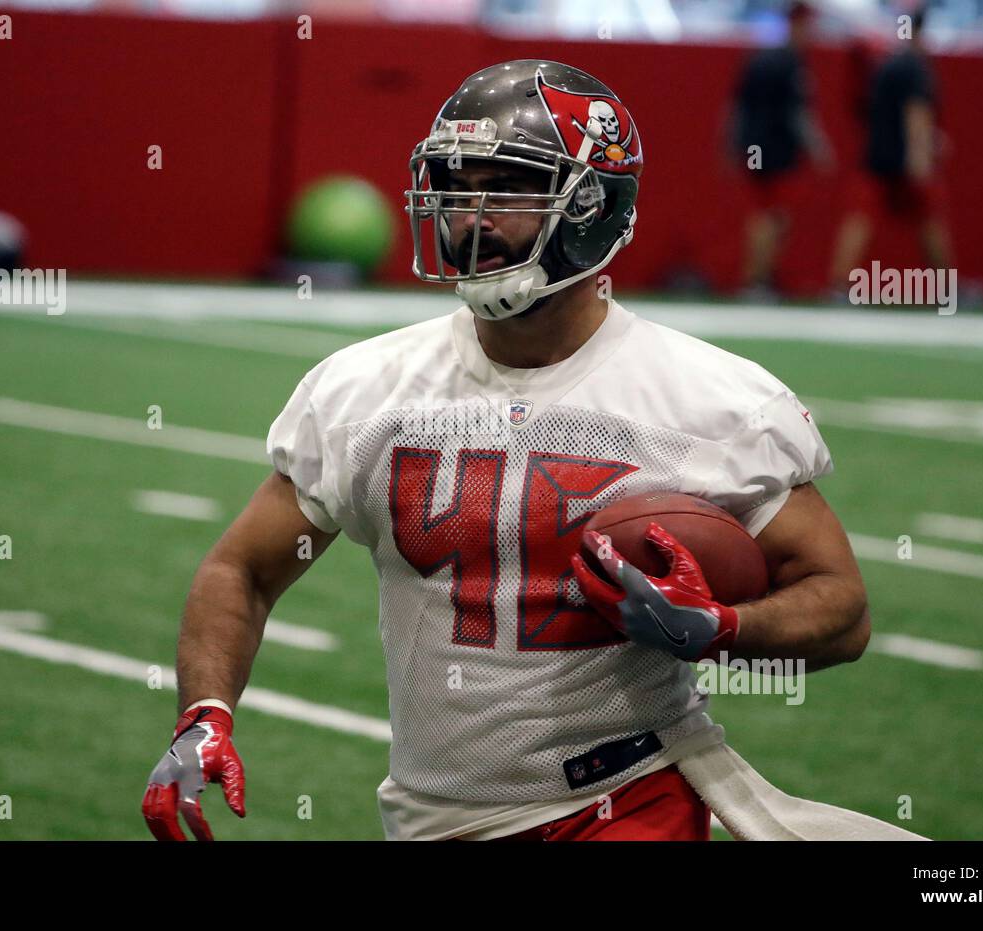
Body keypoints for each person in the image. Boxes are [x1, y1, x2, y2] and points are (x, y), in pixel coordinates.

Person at [142, 60, 917, 842]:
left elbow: (841, 611)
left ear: (590, 203)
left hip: (629, 791)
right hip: (434, 814)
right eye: (454, 186)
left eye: (504, 187)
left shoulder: (711, 401)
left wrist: (721, 628)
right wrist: (202, 716)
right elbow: (241, 569)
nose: (467, 215)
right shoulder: (365, 390)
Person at [829, 5, 953, 294]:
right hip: (903, 157)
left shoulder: (888, 64)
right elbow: (915, 112)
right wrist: (920, 154)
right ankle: (946, 287)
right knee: (929, 220)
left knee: (862, 218)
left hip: (877, 152)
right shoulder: (914, 67)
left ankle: (838, 284)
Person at [729, 1, 833, 299]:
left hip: (753, 145)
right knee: (773, 216)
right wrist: (818, 147)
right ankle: (756, 280)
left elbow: (736, 106)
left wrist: (732, 145)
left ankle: (756, 279)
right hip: (776, 148)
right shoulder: (791, 63)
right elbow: (797, 113)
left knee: (763, 215)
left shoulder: (759, 59)